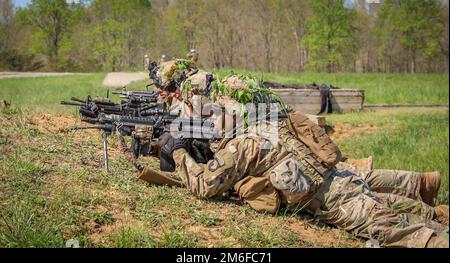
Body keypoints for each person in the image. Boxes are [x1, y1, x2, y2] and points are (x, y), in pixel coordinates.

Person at [148, 63, 449, 247]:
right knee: (404, 218)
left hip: (340, 202)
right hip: (344, 182)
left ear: (234, 112)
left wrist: (177, 154)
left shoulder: (246, 144)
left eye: (218, 113)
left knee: (404, 234)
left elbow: (204, 186)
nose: (211, 119)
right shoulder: (270, 120)